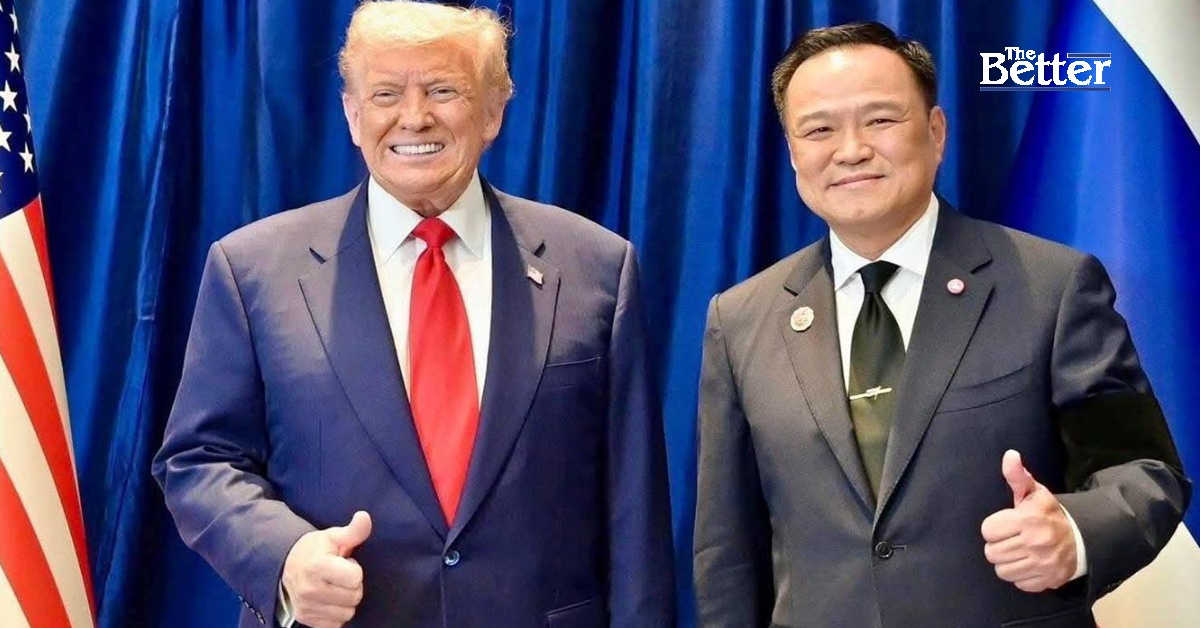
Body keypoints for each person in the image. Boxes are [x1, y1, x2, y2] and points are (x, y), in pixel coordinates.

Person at [152, 2, 674, 627]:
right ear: (353, 115)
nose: (414, 116)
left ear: (493, 111)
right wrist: (285, 558)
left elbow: (634, 504)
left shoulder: (596, 267)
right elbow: (198, 459)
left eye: (443, 90)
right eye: (385, 93)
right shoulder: (252, 269)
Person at [693, 21, 1190, 627]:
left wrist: (1075, 533)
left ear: (935, 132)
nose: (850, 150)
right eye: (818, 130)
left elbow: (1145, 472)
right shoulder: (741, 318)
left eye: (880, 119)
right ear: (794, 153)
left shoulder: (1052, 286)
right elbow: (728, 550)